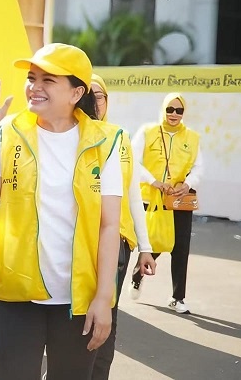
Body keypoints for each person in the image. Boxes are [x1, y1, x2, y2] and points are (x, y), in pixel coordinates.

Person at [0, 43, 122, 379]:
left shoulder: (105, 141)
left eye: (48, 80)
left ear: (76, 92)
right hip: (15, 292)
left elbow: (109, 226)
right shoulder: (8, 131)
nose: (34, 86)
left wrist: (104, 298)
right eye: (31, 77)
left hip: (78, 298)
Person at [88, 74, 157, 379]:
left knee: (107, 321)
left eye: (99, 95)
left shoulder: (120, 137)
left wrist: (145, 247)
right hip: (78, 242)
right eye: (88, 94)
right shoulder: (67, 135)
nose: (94, 101)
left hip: (117, 241)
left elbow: (132, 196)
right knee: (74, 319)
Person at [130, 93, 202, 314]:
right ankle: (139, 272)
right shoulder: (147, 131)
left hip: (178, 201)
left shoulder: (192, 137)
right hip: (149, 199)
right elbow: (132, 160)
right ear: (163, 109)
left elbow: (199, 167)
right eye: (170, 109)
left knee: (180, 248)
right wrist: (153, 181)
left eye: (179, 111)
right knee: (152, 243)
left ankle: (177, 297)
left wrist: (188, 184)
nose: (174, 114)